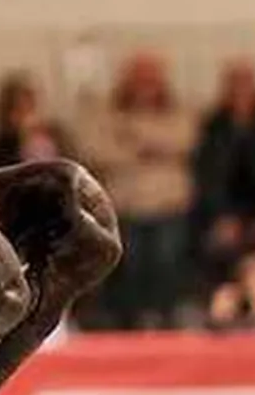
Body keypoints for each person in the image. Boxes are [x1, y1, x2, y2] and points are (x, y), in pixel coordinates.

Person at [81, 52, 195, 329]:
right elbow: (97, 149)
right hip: (126, 205)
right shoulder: (107, 113)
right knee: (129, 267)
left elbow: (184, 140)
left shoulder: (179, 111)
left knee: (167, 264)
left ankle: (165, 318)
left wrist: (132, 136)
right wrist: (152, 147)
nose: (146, 85)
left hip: (168, 206)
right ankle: (132, 321)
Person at [190, 60, 255, 290]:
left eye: (246, 85)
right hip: (222, 214)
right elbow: (208, 178)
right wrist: (222, 216)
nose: (242, 92)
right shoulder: (213, 128)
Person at [0, 72, 69, 168]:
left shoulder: (56, 134)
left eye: (31, 107)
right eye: (19, 110)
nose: (29, 117)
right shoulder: (4, 144)